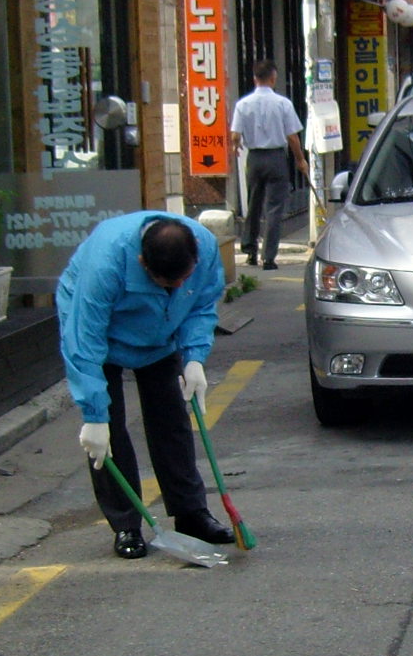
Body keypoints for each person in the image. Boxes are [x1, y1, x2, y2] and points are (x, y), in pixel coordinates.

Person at [57, 212, 235, 560]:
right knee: (109, 431)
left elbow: (201, 304)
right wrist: (93, 414)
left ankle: (191, 513)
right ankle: (126, 523)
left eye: (180, 282)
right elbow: (85, 341)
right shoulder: (106, 263)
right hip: (103, 333)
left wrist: (195, 356)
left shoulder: (206, 248)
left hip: (161, 333)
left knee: (171, 419)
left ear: (195, 256)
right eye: (162, 282)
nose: (173, 289)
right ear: (141, 262)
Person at [228, 61, 306, 271]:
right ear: (273, 78)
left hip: (254, 158)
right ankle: (269, 257)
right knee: (274, 209)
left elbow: (235, 134)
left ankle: (250, 250)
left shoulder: (242, 104)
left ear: (255, 79)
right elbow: (292, 137)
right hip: (276, 158)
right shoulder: (283, 103)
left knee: (254, 204)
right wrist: (300, 160)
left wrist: (236, 147)